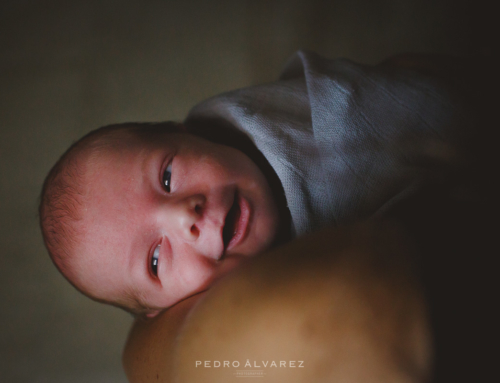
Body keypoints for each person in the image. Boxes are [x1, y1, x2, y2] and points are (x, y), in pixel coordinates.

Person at [39, 51, 474, 319]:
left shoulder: (283, 125)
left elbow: (416, 110)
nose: (181, 215)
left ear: (185, 131)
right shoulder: (251, 309)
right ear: (163, 310)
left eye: (167, 176)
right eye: (155, 260)